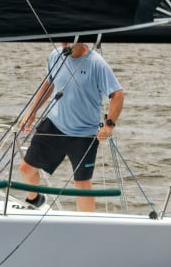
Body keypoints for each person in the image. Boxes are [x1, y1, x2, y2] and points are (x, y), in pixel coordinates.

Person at [19, 41, 124, 212]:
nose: (63, 42)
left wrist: (109, 126)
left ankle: (86, 224)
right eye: (62, 38)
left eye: (68, 39)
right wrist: (32, 112)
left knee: (82, 184)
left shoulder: (97, 64)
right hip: (54, 125)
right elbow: (50, 83)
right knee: (26, 169)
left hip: (84, 135)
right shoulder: (56, 55)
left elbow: (118, 95)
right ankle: (35, 200)